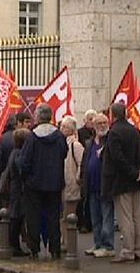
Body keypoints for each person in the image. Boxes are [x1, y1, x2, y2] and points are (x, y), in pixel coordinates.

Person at [19, 103, 68, 259]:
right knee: (54, 217)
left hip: (34, 184)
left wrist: (26, 177)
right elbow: (64, 153)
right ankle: (55, 249)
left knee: (33, 217)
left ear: (38, 117)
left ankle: (34, 249)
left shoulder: (32, 137)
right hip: (54, 183)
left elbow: (24, 161)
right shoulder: (59, 136)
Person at [102, 103, 140, 263]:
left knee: (125, 218)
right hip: (136, 180)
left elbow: (117, 157)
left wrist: (133, 173)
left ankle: (128, 251)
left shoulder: (114, 133)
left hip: (121, 180)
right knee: (137, 216)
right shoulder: (135, 131)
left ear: (112, 115)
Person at [81, 113, 115, 258]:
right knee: (95, 217)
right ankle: (98, 243)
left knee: (106, 215)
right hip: (92, 185)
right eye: (99, 123)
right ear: (94, 126)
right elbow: (85, 162)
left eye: (104, 123)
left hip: (105, 185)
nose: (102, 126)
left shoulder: (110, 141)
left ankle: (108, 245)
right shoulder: (90, 143)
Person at [59, 116, 84, 251]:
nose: (62, 129)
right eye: (61, 126)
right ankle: (64, 241)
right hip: (62, 184)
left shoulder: (75, 145)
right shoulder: (61, 143)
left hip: (71, 184)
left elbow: (81, 163)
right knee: (63, 216)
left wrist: (77, 178)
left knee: (69, 216)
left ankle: (69, 243)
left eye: (65, 127)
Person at [6, 128, 31, 257]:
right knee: (16, 216)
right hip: (18, 188)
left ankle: (14, 244)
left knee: (17, 216)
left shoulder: (15, 152)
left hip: (16, 187)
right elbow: (21, 169)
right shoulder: (18, 154)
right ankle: (13, 245)